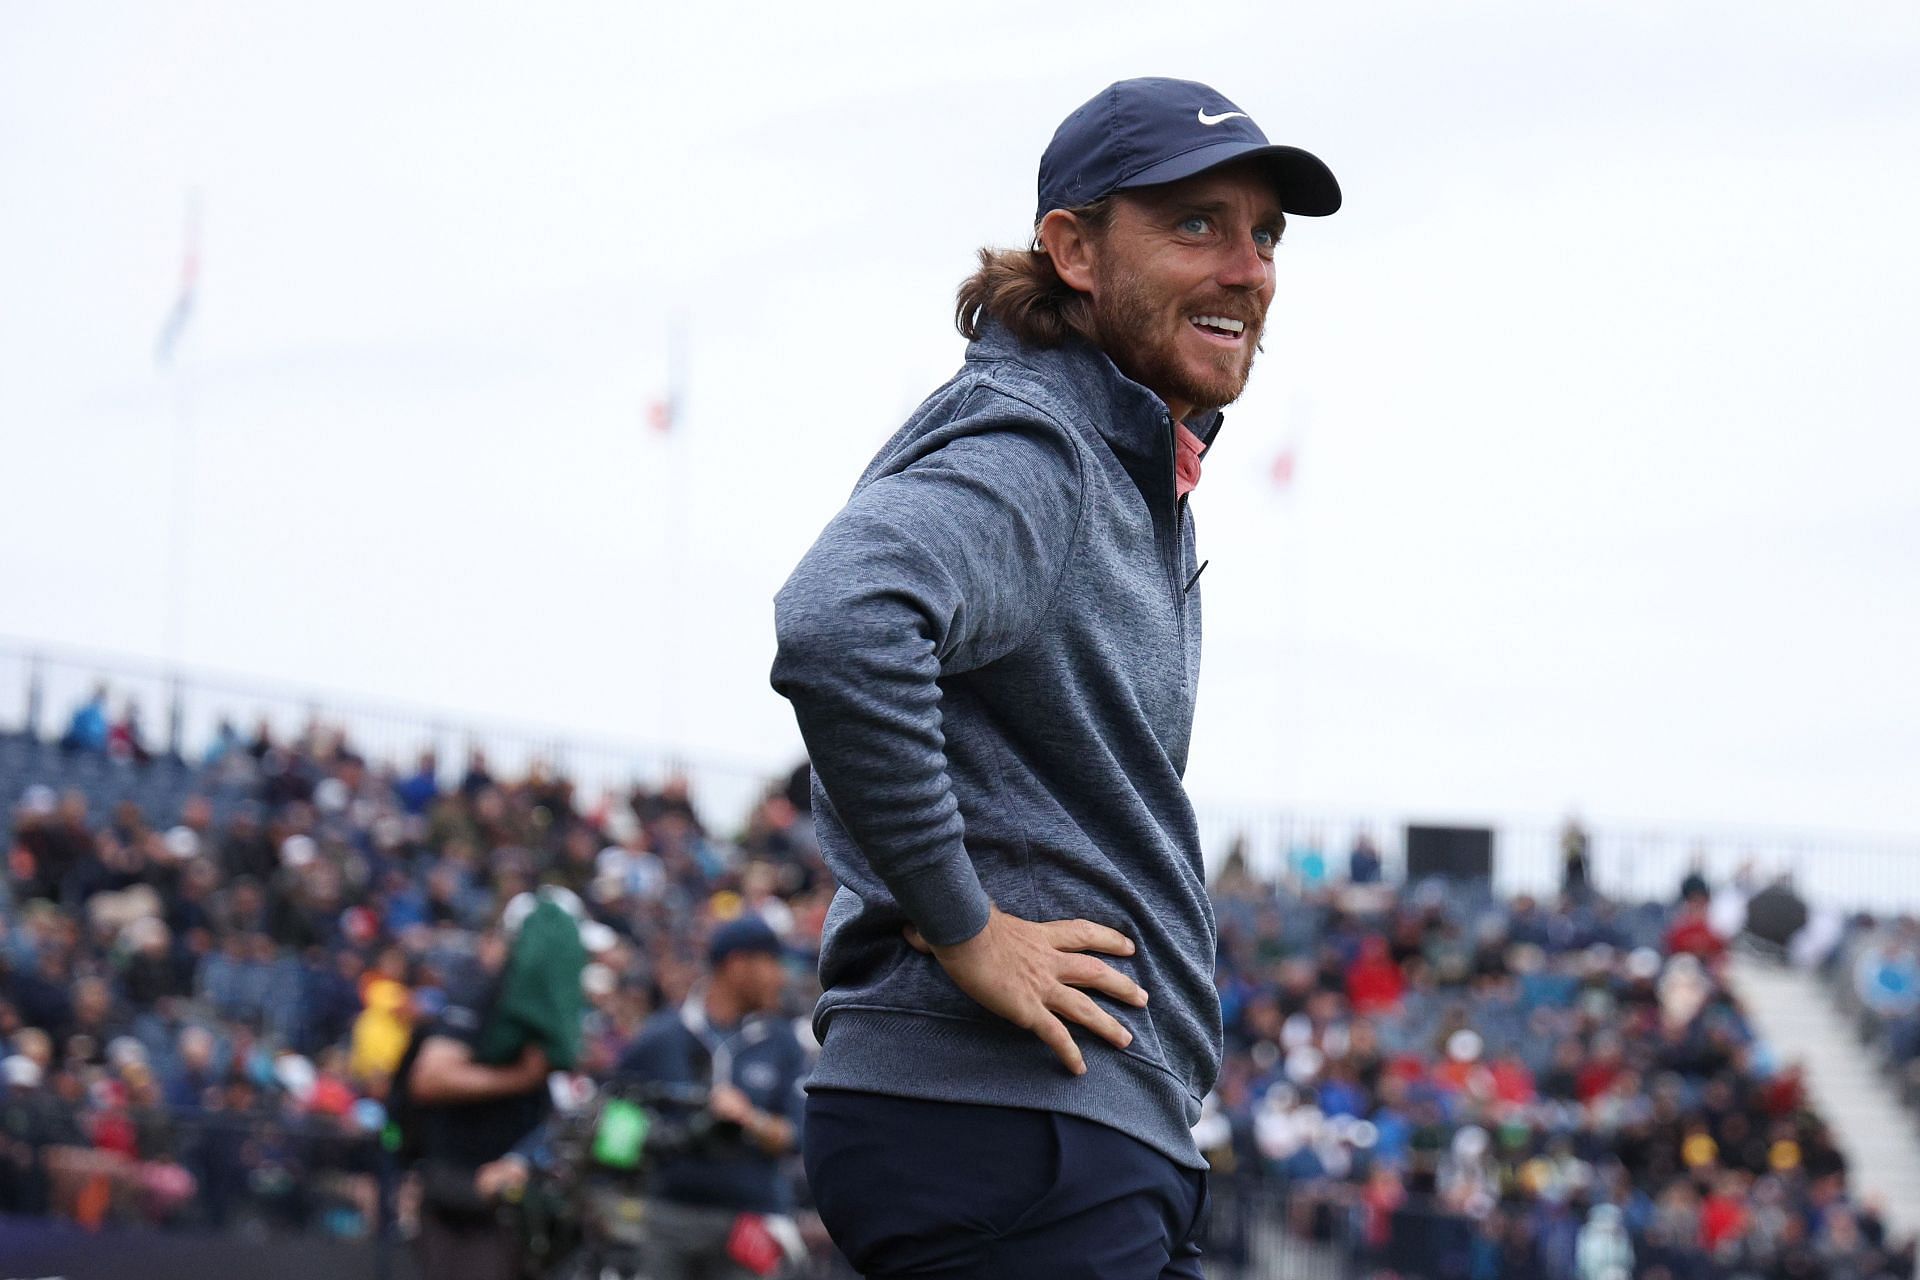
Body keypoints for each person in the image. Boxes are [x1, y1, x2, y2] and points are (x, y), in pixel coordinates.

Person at [770, 76, 1339, 1278]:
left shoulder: (1114, 451)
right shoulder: (1045, 446)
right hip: (1011, 1124)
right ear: (1074, 250)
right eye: (1197, 224)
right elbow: (839, 623)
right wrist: (962, 922)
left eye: (1265, 235)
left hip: (1061, 1131)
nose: (1249, 269)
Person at [477, 915, 808, 1279]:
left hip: (751, 1217)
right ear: (737, 964)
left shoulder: (782, 1042)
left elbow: (799, 1136)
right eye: (772, 963)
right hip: (666, 1216)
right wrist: (521, 1159)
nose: (781, 977)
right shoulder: (662, 1036)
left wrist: (749, 1118)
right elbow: (596, 1105)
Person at [402, 923, 554, 1280]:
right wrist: (521, 1078)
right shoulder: (474, 993)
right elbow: (428, 1079)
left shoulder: (542, 1010)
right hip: (456, 1180)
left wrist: (522, 1158)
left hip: (507, 1184)